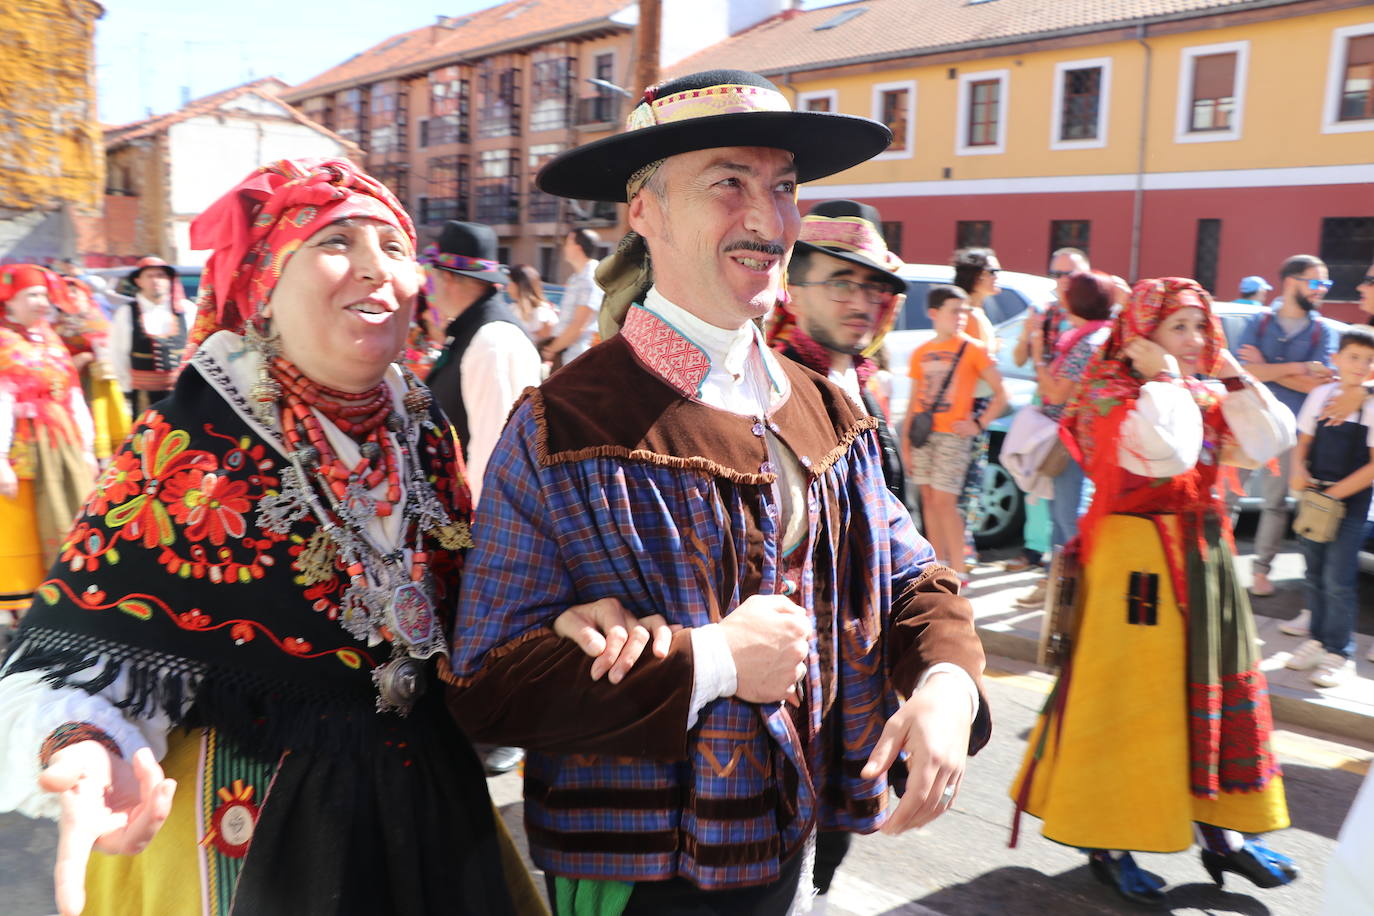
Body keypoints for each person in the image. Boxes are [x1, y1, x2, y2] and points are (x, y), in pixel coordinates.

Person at [446, 69, 991, 914]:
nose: (767, 218)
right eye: (727, 183)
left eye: (781, 188)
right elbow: (487, 684)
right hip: (639, 876)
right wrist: (716, 659)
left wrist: (948, 685)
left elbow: (911, 578)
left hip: (790, 845)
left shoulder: (826, 409)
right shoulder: (563, 424)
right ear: (645, 213)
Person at [0, 159, 535, 916]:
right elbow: (82, 659)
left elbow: (460, 613)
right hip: (257, 832)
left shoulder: (422, 430)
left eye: (393, 243)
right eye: (337, 240)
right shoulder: (191, 446)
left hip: (428, 802)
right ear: (262, 287)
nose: (376, 267)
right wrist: (85, 748)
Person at [1011, 278, 1298, 908]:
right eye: (1180, 328)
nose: (1196, 341)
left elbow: (1271, 441)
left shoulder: (1196, 387)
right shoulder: (1111, 394)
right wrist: (1170, 379)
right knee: (1135, 701)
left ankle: (1222, 834)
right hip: (1137, 567)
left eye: (1202, 326)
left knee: (1216, 692)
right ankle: (1109, 840)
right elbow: (1169, 452)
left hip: (1206, 556)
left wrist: (1230, 375)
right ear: (1141, 336)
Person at [772, 199, 906, 502]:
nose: (860, 304)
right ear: (793, 294)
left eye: (872, 287)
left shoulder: (863, 384)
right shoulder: (777, 393)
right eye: (841, 284)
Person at [1234, 254, 1339, 598]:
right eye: (1316, 282)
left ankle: (1261, 571)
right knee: (1226, 498)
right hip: (1248, 423)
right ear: (1292, 281)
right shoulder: (1260, 322)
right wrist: (1297, 367)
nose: (1322, 290)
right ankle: (1214, 563)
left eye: (1326, 284)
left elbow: (1316, 386)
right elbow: (1245, 373)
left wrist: (1269, 367)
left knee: (1275, 504)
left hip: (1291, 430)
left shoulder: (1323, 330)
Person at [0, 265, 97, 622]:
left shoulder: (52, 340)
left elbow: (73, 395)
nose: (42, 303)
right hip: (24, 448)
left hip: (63, 442)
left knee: (70, 512)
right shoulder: (3, 343)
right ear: (10, 300)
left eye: (43, 295)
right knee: (25, 526)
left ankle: (66, 598)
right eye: (32, 295)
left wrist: (87, 448)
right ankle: (23, 613)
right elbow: (2, 401)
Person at [421, 220, 542, 507]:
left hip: (474, 523)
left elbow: (494, 452)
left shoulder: (491, 341)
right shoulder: (476, 333)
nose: (431, 288)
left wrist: (477, 537)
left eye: (434, 278)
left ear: (448, 279)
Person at [1285, 326, 1374, 687]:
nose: (1360, 365)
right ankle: (1317, 641)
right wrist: (1298, 469)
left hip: (1346, 503)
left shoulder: (1369, 404)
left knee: (1339, 578)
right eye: (1353, 357)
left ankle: (1339, 651)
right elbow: (1303, 441)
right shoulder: (1321, 394)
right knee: (1315, 571)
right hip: (1313, 498)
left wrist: (1333, 496)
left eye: (1369, 361)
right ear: (1335, 359)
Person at [902, 285, 1008, 584]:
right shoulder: (920, 352)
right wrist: (907, 444)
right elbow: (913, 402)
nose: (961, 316)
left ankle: (958, 568)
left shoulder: (973, 348)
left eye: (964, 310)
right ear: (934, 314)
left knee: (946, 502)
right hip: (924, 435)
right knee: (929, 499)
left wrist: (978, 423)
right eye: (954, 311)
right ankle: (937, 564)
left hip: (953, 436)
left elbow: (1002, 395)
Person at [1035, 271, 1113, 557]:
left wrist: (1038, 357)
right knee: (1060, 515)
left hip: (1075, 440)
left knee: (1068, 516)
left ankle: (1079, 585)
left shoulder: (1088, 342)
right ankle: (1058, 583)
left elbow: (1057, 393)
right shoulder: (1089, 336)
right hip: (1074, 437)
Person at [53, 276, 131, 464]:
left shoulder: (97, 318)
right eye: (65, 292)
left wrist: (95, 357)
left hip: (98, 383)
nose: (71, 296)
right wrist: (73, 361)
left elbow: (110, 345)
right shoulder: (55, 322)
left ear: (84, 294)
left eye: (75, 291)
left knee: (100, 423)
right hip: (66, 383)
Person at [111, 257, 194, 417]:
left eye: (161, 276)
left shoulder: (187, 310)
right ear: (138, 281)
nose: (156, 281)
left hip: (182, 393)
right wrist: (127, 390)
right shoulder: (127, 313)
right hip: (144, 395)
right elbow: (118, 354)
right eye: (150, 276)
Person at [540, 228, 603, 365]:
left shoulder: (590, 278)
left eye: (568, 243)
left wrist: (551, 349)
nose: (565, 248)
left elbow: (579, 325)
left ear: (578, 248)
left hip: (578, 359)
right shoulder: (576, 278)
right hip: (568, 355)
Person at [508, 263, 559, 345]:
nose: (507, 286)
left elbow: (548, 340)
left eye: (510, 282)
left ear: (520, 285)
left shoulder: (542, 312)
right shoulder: (512, 308)